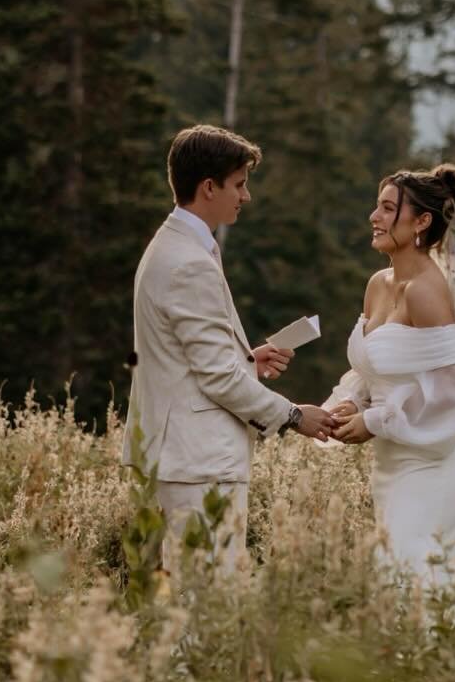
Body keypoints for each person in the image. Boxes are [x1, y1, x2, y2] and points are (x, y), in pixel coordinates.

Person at [122, 124, 336, 577]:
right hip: (199, 463)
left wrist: (247, 358)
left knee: (197, 601)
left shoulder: (175, 247)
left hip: (185, 456)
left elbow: (195, 358)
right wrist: (295, 416)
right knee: (208, 605)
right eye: (239, 184)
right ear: (208, 187)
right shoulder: (188, 263)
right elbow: (217, 378)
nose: (246, 196)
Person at [327, 164, 455, 591]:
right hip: (393, 462)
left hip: (431, 463)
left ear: (421, 222)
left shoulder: (426, 290)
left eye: (386, 208)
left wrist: (374, 421)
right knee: (393, 576)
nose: (374, 217)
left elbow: (450, 398)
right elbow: (376, 366)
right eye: (376, 207)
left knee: (417, 579)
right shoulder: (378, 285)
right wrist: (353, 402)